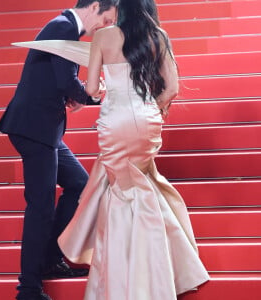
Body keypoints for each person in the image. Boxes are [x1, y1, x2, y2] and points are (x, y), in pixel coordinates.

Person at [57, 0, 210, 299]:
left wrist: (105, 86)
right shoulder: (158, 36)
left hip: (115, 121)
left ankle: (122, 274)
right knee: (142, 185)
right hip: (145, 119)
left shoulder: (103, 36)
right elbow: (172, 89)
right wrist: (150, 107)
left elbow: (90, 91)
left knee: (121, 192)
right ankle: (157, 270)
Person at [0, 1, 118, 300]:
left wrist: (79, 96)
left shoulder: (65, 29)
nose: (105, 26)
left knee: (79, 183)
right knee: (40, 208)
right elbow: (66, 81)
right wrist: (94, 97)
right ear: (96, 7)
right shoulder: (63, 27)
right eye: (107, 19)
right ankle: (28, 289)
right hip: (34, 128)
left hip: (43, 129)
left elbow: (59, 80)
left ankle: (50, 259)